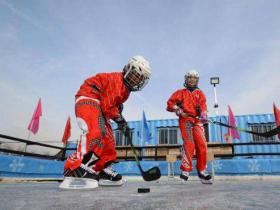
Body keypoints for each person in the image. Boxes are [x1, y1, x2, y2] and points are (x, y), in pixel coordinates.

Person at [62, 55, 151, 188]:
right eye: (134, 75)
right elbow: (108, 105)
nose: (135, 80)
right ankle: (73, 167)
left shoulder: (126, 91)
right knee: (96, 130)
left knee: (109, 140)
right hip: (89, 96)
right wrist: (120, 120)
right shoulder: (117, 80)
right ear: (127, 70)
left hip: (100, 105)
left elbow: (112, 106)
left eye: (139, 78)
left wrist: (120, 117)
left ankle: (100, 169)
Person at [166, 70, 212, 184]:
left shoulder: (200, 93)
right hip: (186, 120)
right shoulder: (180, 92)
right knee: (189, 143)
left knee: (202, 144)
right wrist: (178, 110)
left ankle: (202, 170)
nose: (192, 79)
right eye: (189, 77)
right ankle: (185, 171)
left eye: (194, 78)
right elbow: (169, 104)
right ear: (186, 79)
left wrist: (204, 114)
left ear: (197, 80)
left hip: (197, 121)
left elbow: (203, 106)